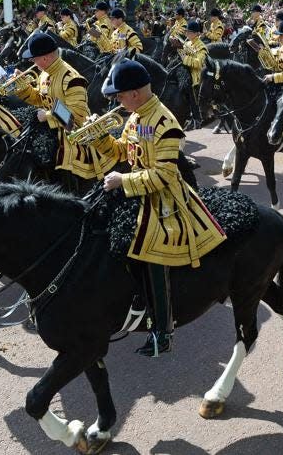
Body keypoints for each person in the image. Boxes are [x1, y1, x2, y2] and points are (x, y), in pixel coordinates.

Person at [96, 60, 227, 356]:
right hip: (133, 188)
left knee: (152, 252)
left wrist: (123, 180)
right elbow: (121, 151)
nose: (116, 100)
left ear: (134, 93)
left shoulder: (165, 123)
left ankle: (162, 330)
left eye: (119, 95)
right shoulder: (136, 115)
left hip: (165, 199)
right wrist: (101, 139)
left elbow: (165, 175)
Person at [13, 32, 109, 192]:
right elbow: (39, 99)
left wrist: (47, 116)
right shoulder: (45, 73)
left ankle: (70, 193)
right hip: (52, 128)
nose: (32, 62)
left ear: (45, 58)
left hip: (75, 133)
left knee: (61, 159)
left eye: (34, 58)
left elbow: (75, 117)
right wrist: (23, 87)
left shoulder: (72, 79)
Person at [177, 19, 207, 128]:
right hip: (186, 71)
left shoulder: (201, 46)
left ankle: (197, 119)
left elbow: (198, 63)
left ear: (196, 34)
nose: (187, 34)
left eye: (189, 32)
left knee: (192, 95)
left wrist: (185, 58)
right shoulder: (187, 42)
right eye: (187, 32)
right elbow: (182, 53)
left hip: (197, 75)